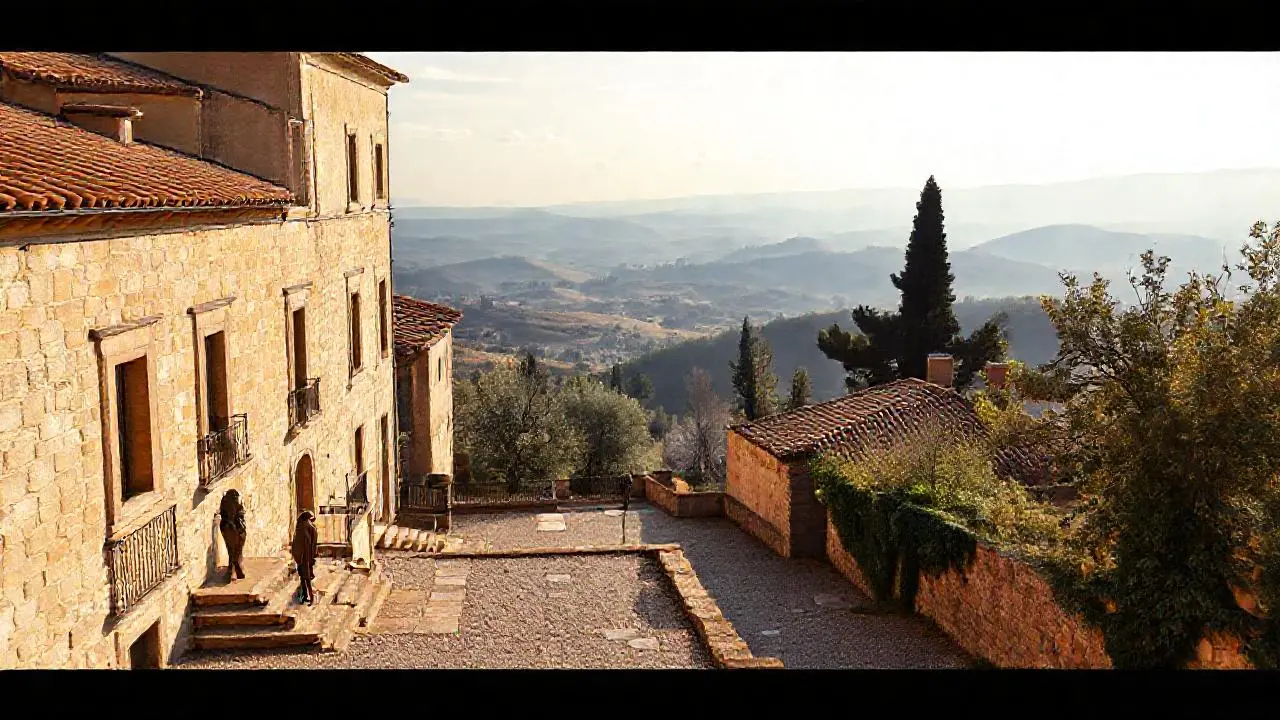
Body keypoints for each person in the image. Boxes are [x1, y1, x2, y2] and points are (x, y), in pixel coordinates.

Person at [218, 489, 248, 583]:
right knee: (236, 550)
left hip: (231, 529)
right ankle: (236, 569)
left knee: (232, 550)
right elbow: (240, 514)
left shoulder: (225, 503)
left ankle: (235, 570)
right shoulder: (236, 504)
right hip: (236, 530)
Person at [291, 511, 318, 605]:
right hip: (304, 557)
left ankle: (311, 598)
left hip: (305, 558)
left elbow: (310, 544)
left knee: (306, 578)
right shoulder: (304, 528)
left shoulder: (305, 528)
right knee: (304, 578)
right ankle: (306, 596)